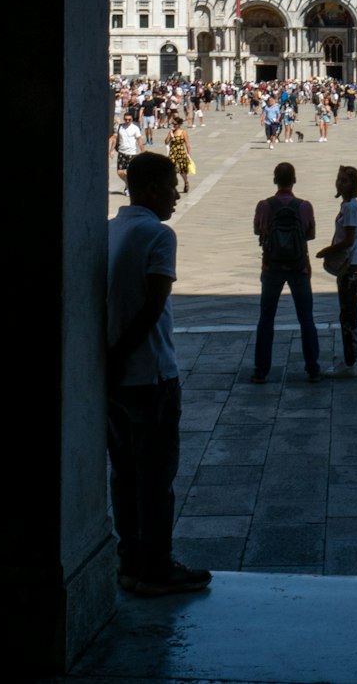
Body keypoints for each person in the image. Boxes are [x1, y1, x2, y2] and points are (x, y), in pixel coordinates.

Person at [107, 153, 212, 596]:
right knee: (157, 476)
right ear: (151, 189)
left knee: (123, 473)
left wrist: (107, 360)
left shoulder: (111, 230)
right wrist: (122, 354)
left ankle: (130, 560)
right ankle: (157, 565)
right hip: (150, 374)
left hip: (115, 381)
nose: (176, 194)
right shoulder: (158, 234)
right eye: (172, 185)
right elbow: (153, 307)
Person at [251, 161, 321, 383]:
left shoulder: (264, 205)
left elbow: (256, 230)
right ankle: (313, 368)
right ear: (294, 180)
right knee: (306, 318)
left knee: (266, 318)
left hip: (271, 266)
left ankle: (261, 370)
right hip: (299, 266)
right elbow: (310, 234)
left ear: (274, 180)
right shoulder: (304, 205)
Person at [316, 164, 357, 377]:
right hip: (349, 264)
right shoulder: (346, 205)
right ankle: (349, 357)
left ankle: (350, 362)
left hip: (351, 264)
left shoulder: (351, 207)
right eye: (339, 179)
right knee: (346, 311)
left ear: (353, 184)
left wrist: (327, 250)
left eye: (344, 180)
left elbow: (349, 240)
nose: (340, 183)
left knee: (348, 313)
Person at [109, 112, 145, 193]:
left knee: (130, 172)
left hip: (132, 153)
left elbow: (139, 140)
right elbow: (115, 139)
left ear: (132, 119)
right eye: (126, 119)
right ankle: (129, 184)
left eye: (129, 119)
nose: (127, 121)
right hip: (122, 152)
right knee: (120, 172)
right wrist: (111, 151)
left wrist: (143, 151)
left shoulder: (135, 128)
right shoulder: (120, 127)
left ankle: (128, 188)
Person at [163, 115, 192, 193]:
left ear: (179, 125)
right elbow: (166, 142)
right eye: (172, 124)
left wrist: (189, 155)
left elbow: (187, 144)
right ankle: (173, 186)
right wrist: (169, 135)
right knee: (172, 170)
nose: (173, 125)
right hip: (173, 152)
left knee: (182, 170)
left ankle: (186, 182)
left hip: (181, 152)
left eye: (175, 124)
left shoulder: (183, 132)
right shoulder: (171, 132)